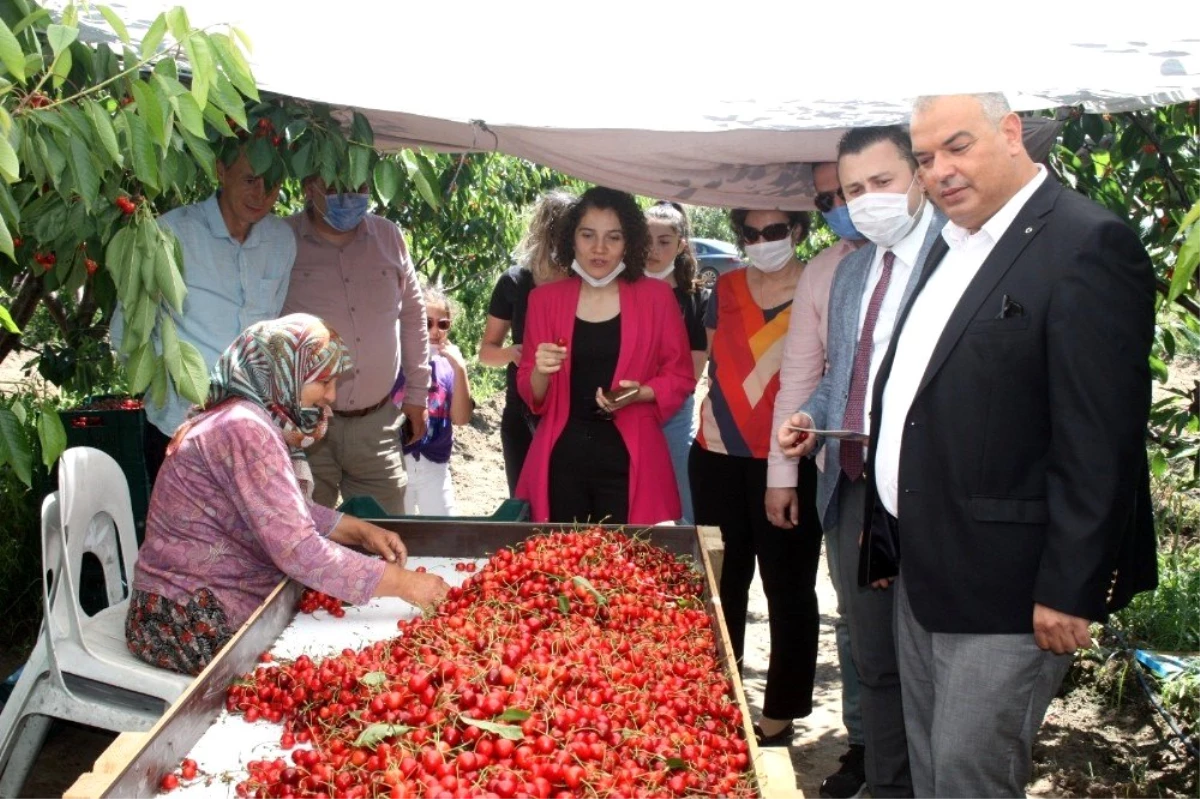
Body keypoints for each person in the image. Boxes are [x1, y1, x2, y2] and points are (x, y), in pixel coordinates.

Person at [866, 93, 1156, 797]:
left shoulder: (1086, 244)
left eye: (957, 147)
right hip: (926, 570)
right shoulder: (948, 240)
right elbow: (918, 395)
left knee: (970, 776)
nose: (940, 172)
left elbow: (1100, 439)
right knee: (934, 769)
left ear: (1011, 131)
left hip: (1012, 589)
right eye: (926, 158)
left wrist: (1069, 588)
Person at [125, 315, 449, 676]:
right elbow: (299, 550)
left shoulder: (245, 416)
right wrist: (408, 584)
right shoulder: (244, 428)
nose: (331, 396)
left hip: (189, 604)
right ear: (281, 374)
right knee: (340, 673)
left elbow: (281, 511)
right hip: (185, 618)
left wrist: (358, 531)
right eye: (323, 382)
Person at [778, 128, 945, 798]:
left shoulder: (954, 258)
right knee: (872, 658)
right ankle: (886, 783)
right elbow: (839, 376)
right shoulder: (848, 271)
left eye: (882, 182)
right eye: (853, 190)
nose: (867, 200)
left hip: (927, 493)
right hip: (850, 488)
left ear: (919, 175)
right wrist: (809, 421)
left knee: (933, 663)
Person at [690, 206, 823, 748]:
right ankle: (720, 694)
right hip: (717, 456)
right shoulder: (721, 288)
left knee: (789, 587)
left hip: (789, 465)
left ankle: (780, 715)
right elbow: (698, 363)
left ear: (796, 230)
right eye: (750, 232)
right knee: (722, 587)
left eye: (775, 231)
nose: (762, 241)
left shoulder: (820, 285)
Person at [765, 160, 870, 798]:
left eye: (858, 189)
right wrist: (783, 471)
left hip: (929, 485)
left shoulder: (944, 247)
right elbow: (803, 376)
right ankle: (867, 746)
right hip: (847, 480)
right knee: (856, 619)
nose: (845, 204)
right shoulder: (828, 271)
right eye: (830, 196)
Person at [111, 144, 296, 484]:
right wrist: (167, 399)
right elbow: (127, 330)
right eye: (250, 180)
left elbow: (271, 331)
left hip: (252, 428)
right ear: (221, 171)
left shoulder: (282, 240)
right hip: (180, 428)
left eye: (271, 184)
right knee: (185, 535)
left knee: (250, 534)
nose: (261, 194)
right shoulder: (171, 233)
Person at [516, 186, 693, 525]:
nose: (599, 249)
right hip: (561, 457)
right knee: (564, 567)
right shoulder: (544, 300)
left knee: (624, 567)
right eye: (588, 235)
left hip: (630, 457)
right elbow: (532, 394)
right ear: (572, 239)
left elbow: (680, 375)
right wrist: (540, 370)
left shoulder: (657, 298)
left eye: (613, 237)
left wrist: (639, 392)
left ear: (630, 242)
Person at [282, 177, 430, 515]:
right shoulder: (280, 240)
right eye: (333, 188)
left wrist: (417, 394)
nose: (348, 198)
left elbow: (412, 314)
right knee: (299, 536)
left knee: (387, 534)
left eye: (359, 188)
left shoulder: (388, 237)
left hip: (375, 423)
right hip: (304, 427)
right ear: (308, 185)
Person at [479, 191, 574, 495]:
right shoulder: (515, 281)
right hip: (523, 413)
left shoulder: (590, 281)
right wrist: (513, 353)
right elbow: (486, 353)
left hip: (574, 414)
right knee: (524, 505)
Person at [644, 201, 709, 524]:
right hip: (623, 409)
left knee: (685, 505)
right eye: (647, 240)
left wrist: (660, 402)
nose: (653, 250)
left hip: (675, 412)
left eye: (664, 242)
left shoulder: (697, 298)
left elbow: (694, 368)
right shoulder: (619, 288)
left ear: (681, 245)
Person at [392, 283, 473, 515]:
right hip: (398, 464)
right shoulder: (395, 360)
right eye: (426, 323)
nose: (435, 331)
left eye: (443, 324)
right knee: (400, 537)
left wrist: (461, 368)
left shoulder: (450, 366)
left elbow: (460, 418)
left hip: (436, 465)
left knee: (444, 538)